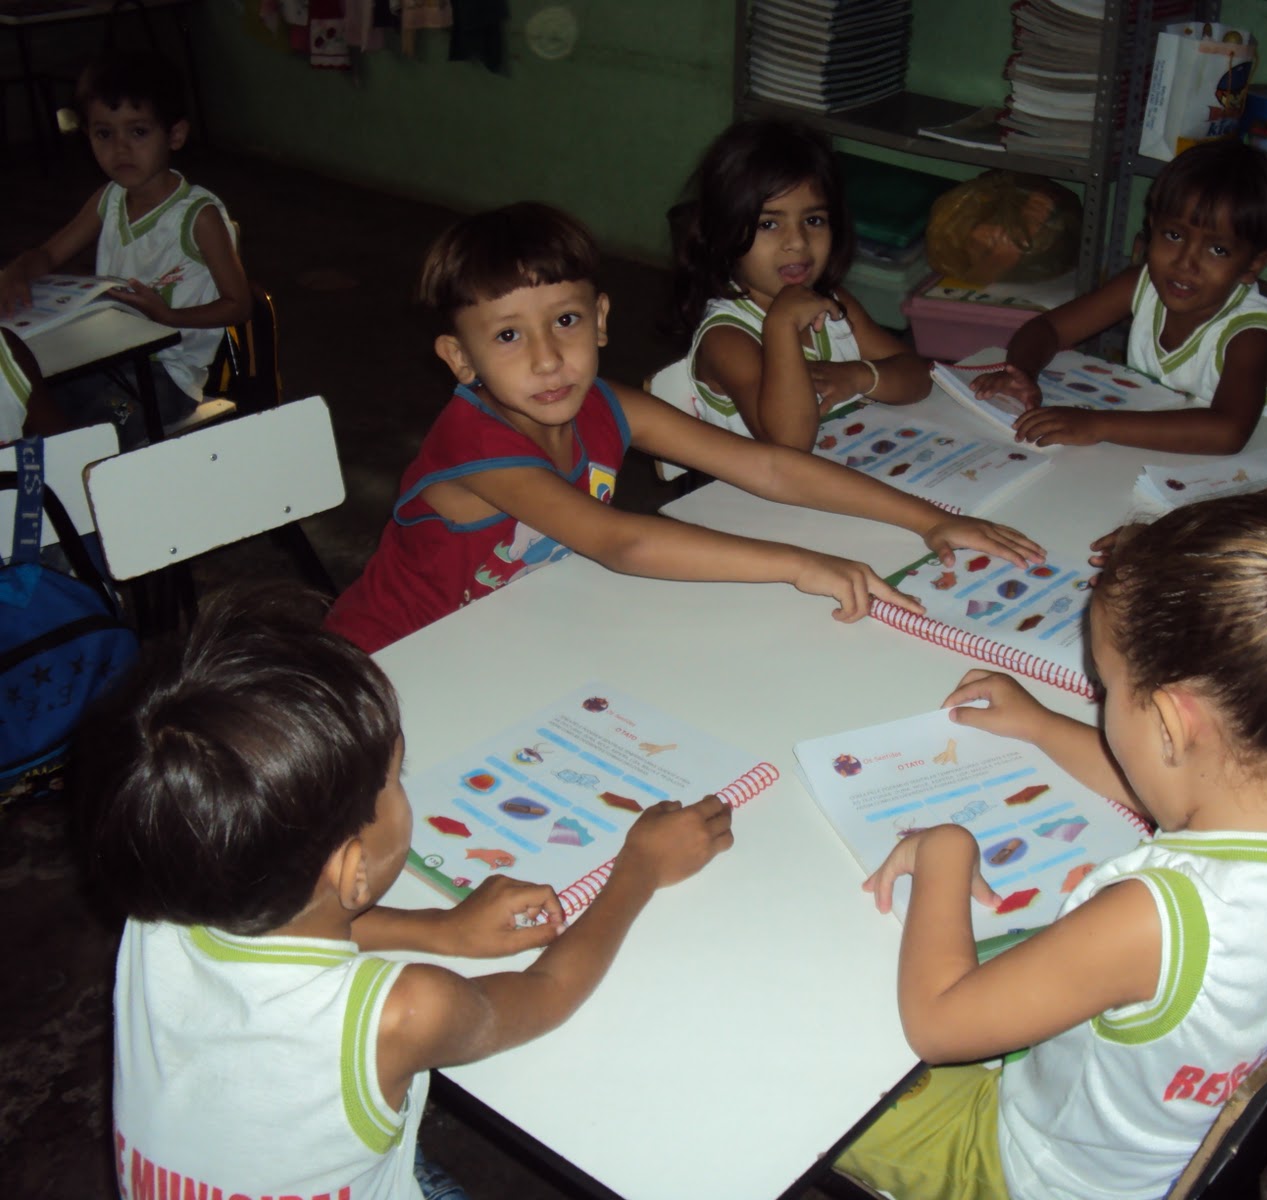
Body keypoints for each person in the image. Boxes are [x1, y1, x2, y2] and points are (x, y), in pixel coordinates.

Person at [834, 494, 1267, 1200]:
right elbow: (1172, 781)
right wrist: (1040, 727)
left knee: (826, 1063)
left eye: (1107, 688)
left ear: (1177, 724)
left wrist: (946, 852)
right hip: (1171, 1148)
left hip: (1027, 1172)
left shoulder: (1152, 918)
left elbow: (938, 1024)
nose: (1098, 700)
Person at [79, 583, 735, 1199]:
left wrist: (439, 930)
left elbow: (286, 920)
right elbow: (544, 994)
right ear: (354, 867)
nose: (405, 787)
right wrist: (639, 868)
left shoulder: (162, 909)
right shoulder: (403, 1013)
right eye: (396, 778)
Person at [325, 201, 1040, 654]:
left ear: (601, 318)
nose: (548, 359)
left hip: (510, 633)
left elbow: (767, 466)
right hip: (391, 662)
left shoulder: (607, 404)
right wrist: (801, 563)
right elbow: (621, 540)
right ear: (460, 358)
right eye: (508, 337)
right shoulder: (477, 447)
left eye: (565, 322)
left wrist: (930, 521)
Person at [973, 139, 1267, 455]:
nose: (1185, 263)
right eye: (1174, 235)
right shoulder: (1141, 283)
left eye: (1218, 250)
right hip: (1154, 452)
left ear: (1253, 264)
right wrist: (1022, 374)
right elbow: (1047, 329)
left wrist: (1097, 425)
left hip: (1245, 473)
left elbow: (1228, 432)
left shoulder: (1249, 335)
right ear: (1153, 228)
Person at [0, 52, 250, 444]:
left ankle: (80, 485)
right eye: (104, 134)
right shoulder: (109, 199)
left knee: (89, 433)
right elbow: (48, 255)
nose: (120, 149)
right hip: (108, 358)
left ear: (175, 135)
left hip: (168, 376)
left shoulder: (197, 217)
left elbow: (239, 304)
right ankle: (54, 482)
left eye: (137, 132)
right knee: (28, 400)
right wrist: (16, 270)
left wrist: (167, 315)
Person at [667, 118, 931, 451]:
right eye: (768, 224)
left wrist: (859, 376)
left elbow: (918, 377)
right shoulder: (727, 338)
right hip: (760, 497)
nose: (797, 241)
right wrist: (781, 325)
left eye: (813, 220)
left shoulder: (835, 305)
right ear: (723, 232)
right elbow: (789, 444)